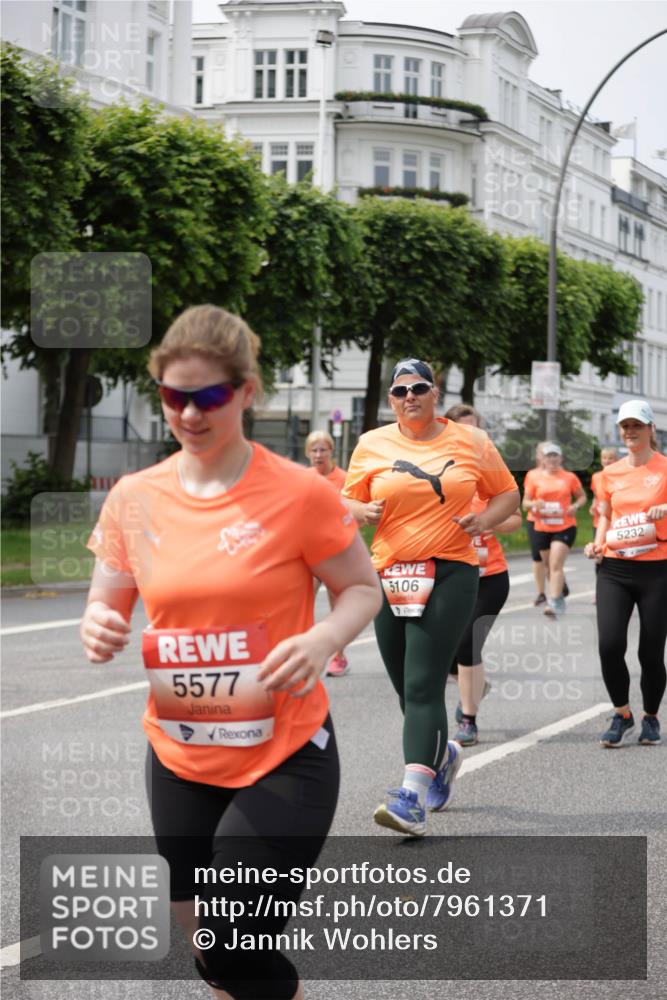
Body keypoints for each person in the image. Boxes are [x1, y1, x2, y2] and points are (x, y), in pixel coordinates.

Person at [80, 305, 381, 1000]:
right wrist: (97, 623)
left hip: (284, 751)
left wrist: (323, 638)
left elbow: (362, 588)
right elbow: (108, 597)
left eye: (208, 395)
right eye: (172, 395)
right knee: (213, 955)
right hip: (179, 753)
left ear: (246, 391)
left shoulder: (299, 493)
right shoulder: (134, 498)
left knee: (232, 939)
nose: (188, 413)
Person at [342, 359, 519, 836]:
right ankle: (442, 757)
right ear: (391, 399)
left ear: (435, 394)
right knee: (406, 688)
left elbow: (508, 494)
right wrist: (361, 510)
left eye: (419, 388)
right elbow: (345, 499)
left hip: (449, 572)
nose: (410, 397)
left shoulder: (471, 441)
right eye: (400, 391)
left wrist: (484, 521)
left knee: (423, 684)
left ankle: (411, 798)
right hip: (389, 572)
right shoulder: (371, 443)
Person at [585, 400, 667, 748]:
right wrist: (596, 543)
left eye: (637, 425)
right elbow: (606, 514)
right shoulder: (610, 474)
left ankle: (650, 716)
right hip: (615, 568)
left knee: (651, 651)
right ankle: (622, 714)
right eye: (625, 426)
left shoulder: (665, 468)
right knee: (609, 644)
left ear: (650, 429)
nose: (630, 431)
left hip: (657, 569)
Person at [444, 405, 522, 746]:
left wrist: (487, 522)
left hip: (489, 577)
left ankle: (469, 720)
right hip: (449, 576)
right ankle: (475, 685)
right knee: (446, 654)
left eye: (476, 431)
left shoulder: (490, 473)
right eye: (462, 430)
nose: (470, 437)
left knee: (467, 643)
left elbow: (516, 520)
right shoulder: (438, 474)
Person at [305, 430, 350, 677]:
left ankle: (339, 656)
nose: (318, 455)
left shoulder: (343, 479)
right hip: (310, 551)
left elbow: (350, 513)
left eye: (323, 450)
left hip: (336, 550)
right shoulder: (303, 479)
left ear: (331, 451)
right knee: (304, 604)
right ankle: (307, 654)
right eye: (314, 450)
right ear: (308, 453)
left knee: (337, 604)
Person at [522, 442, 586, 617]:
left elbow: (582, 497)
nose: (552, 459)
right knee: (548, 565)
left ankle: (554, 601)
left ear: (561, 458)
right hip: (542, 526)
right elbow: (525, 503)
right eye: (548, 456)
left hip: (565, 526)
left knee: (555, 564)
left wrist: (575, 506)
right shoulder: (533, 477)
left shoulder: (569, 477)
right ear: (542, 459)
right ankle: (559, 588)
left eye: (555, 455)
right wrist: (534, 504)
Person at [589, 447, 619, 596]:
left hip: (615, 523)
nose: (607, 461)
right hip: (599, 522)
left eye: (610, 458)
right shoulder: (596, 477)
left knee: (612, 557)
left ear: (617, 460)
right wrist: (593, 506)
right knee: (598, 556)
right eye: (604, 458)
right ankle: (599, 591)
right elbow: (596, 496)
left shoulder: (620, 475)